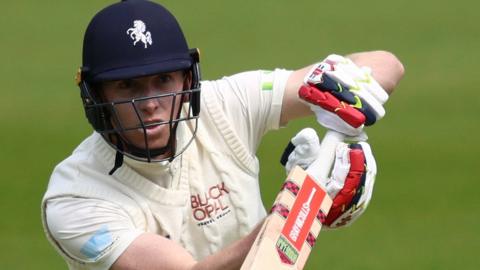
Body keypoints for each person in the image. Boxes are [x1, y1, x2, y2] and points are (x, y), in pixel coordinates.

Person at [41, 1, 404, 269]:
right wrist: (300, 207)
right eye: (127, 86)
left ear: (186, 80)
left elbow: (386, 64)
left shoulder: (222, 104)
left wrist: (345, 95)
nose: (150, 103)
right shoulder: (74, 197)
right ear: (97, 95)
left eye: (163, 80)